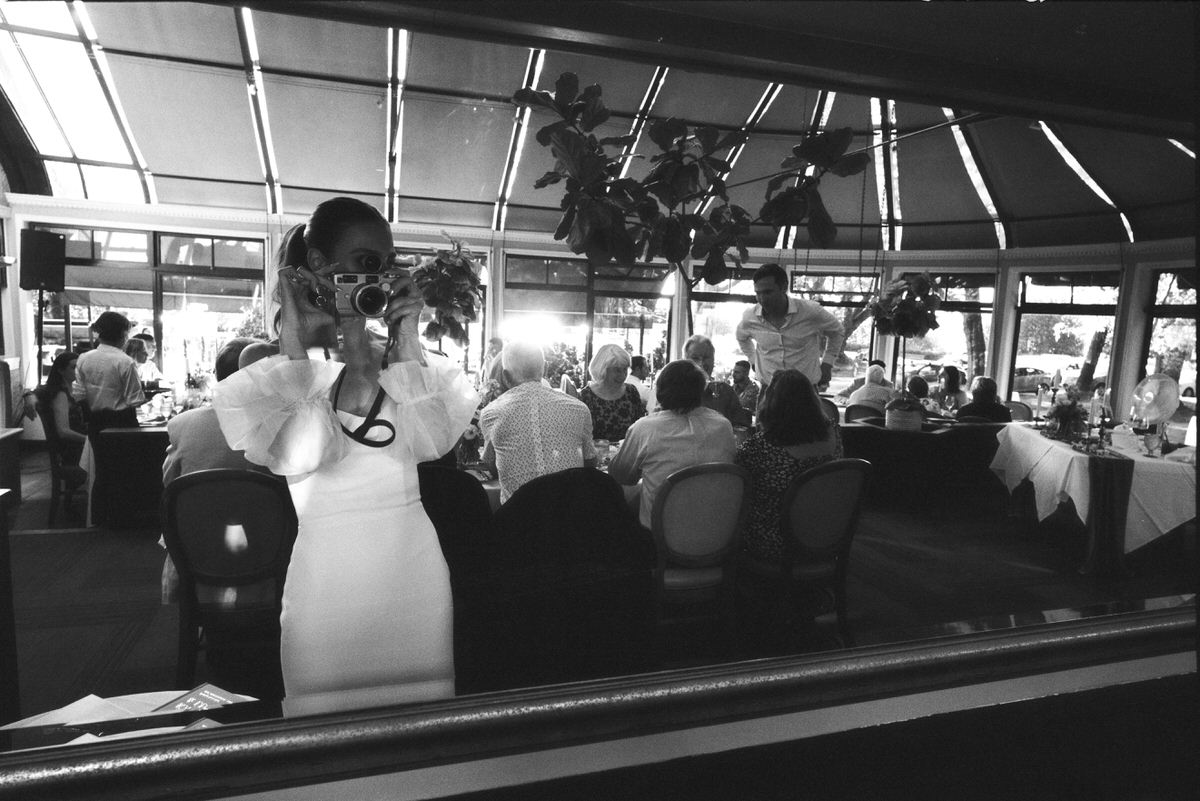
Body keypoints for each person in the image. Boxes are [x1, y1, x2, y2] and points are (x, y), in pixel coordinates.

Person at [213, 196, 479, 717]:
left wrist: (405, 338)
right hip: (327, 577)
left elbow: (433, 442)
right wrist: (299, 342)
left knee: (419, 729)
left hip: (413, 573)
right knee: (322, 732)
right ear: (317, 265)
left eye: (386, 261)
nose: (378, 274)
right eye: (364, 261)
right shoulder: (274, 369)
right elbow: (304, 453)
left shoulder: (402, 361)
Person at [607, 359, 736, 529]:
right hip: (715, 531)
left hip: (660, 534)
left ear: (660, 391)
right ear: (701, 390)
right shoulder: (723, 425)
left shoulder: (646, 428)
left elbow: (621, 476)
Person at [736, 370, 844, 565]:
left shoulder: (760, 446)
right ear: (812, 400)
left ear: (771, 403)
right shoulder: (833, 432)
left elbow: (738, 486)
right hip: (827, 534)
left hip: (778, 542)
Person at [479, 340, 597, 504]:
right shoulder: (578, 408)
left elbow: (491, 465)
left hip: (519, 519)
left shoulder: (491, 413)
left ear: (505, 377)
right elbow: (590, 463)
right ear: (546, 369)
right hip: (570, 517)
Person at [735, 262, 844, 394]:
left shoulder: (810, 311)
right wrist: (753, 360)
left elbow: (837, 332)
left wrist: (827, 363)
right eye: (758, 293)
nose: (762, 299)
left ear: (784, 287)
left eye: (768, 292)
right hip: (769, 390)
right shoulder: (750, 317)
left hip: (805, 391)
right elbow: (741, 337)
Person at [72, 310, 146, 434]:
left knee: (98, 453)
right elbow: (135, 399)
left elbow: (79, 394)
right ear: (123, 334)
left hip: (94, 423)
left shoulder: (84, 358)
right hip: (122, 424)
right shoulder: (125, 361)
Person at [33, 351, 88, 482]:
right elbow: (63, 431)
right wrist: (88, 440)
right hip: (71, 450)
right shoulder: (60, 395)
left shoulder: (74, 389)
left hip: (77, 444)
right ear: (60, 370)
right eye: (73, 367)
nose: (78, 370)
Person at [579, 343, 646, 441]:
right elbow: (581, 437)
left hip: (627, 453)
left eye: (625, 369)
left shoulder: (631, 392)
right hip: (597, 454)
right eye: (617, 370)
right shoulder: (586, 396)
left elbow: (639, 428)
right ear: (602, 369)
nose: (623, 375)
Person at [683, 334, 751, 427]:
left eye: (706, 357)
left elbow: (741, 428)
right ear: (684, 361)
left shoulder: (725, 392)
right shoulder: (673, 391)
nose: (701, 363)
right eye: (695, 358)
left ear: (713, 360)